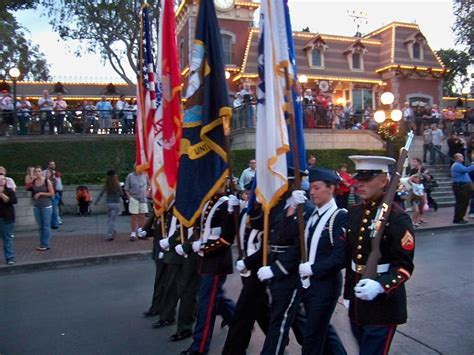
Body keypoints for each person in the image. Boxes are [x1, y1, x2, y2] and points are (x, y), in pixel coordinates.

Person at [345, 155, 415, 354]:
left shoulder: (397, 218)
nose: (359, 184)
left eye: (366, 179)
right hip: (357, 302)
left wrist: (381, 285)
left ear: (384, 181)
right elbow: (351, 258)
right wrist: (348, 294)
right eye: (358, 179)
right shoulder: (354, 212)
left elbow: (404, 267)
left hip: (383, 306)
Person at [294, 167, 347, 355]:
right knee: (322, 332)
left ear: (331, 188)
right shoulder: (311, 215)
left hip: (325, 286)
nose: (312, 192)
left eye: (317, 188)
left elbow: (340, 257)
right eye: (312, 188)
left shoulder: (339, 216)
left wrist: (314, 269)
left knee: (312, 339)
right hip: (309, 285)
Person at [180, 186, 238, 355]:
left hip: (217, 261)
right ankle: (240, 323)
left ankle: (200, 347)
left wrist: (204, 247)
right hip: (205, 259)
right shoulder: (208, 202)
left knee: (206, 306)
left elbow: (226, 239)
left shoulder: (226, 204)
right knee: (214, 299)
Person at [222, 198, 271, 355]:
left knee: (243, 311)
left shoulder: (267, 212)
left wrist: (248, 262)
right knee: (261, 308)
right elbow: (230, 234)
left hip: (257, 268)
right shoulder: (245, 211)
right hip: (246, 268)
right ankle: (276, 336)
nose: (247, 195)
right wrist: (231, 212)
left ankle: (234, 350)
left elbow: (267, 246)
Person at [27, 166, 55, 251]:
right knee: (40, 226)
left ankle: (45, 244)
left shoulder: (47, 181)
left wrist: (41, 193)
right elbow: (27, 188)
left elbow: (52, 193)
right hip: (37, 206)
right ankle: (42, 243)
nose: (38, 173)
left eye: (39, 171)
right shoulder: (34, 181)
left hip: (46, 205)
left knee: (46, 226)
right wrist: (31, 180)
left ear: (41, 172)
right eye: (36, 172)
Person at [95, 170, 123, 240]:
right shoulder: (117, 183)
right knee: (112, 220)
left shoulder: (106, 184)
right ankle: (109, 234)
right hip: (116, 203)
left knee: (110, 219)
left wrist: (96, 201)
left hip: (108, 203)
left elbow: (101, 193)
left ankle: (112, 230)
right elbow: (121, 193)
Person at [124, 167, 149, 241]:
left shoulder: (145, 175)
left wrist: (147, 193)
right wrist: (130, 198)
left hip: (143, 199)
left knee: (143, 216)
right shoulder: (130, 176)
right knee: (134, 216)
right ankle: (133, 233)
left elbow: (149, 186)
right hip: (134, 198)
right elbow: (126, 189)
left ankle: (141, 232)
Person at [450, 153, 474, 224]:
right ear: (457, 158)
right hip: (461, 187)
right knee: (461, 203)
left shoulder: (460, 165)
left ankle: (460, 217)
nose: (463, 157)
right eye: (461, 156)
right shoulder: (456, 165)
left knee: (464, 202)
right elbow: (466, 170)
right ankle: (458, 218)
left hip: (463, 186)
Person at [0, 173, 17, 265]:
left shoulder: (9, 191)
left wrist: (1, 194)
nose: (1, 181)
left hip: (7, 218)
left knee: (7, 238)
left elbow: (12, 201)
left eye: (3, 179)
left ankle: (10, 258)